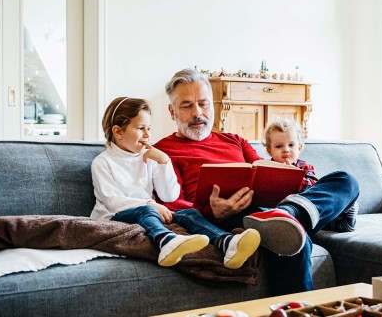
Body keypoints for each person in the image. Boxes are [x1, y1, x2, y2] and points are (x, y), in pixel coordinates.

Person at [154, 68, 360, 294]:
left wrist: (284, 176)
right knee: (293, 240)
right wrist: (212, 213)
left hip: (271, 208)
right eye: (187, 106)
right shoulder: (163, 152)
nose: (197, 113)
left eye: (203, 103)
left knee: (345, 180)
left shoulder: (235, 140)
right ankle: (296, 218)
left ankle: (290, 213)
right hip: (232, 218)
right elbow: (174, 205)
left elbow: (264, 171)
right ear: (172, 111)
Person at [90, 96, 260, 269]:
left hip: (149, 213)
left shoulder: (149, 157)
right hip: (114, 217)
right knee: (147, 210)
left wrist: (164, 162)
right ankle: (166, 241)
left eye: (149, 128)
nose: (148, 135)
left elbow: (169, 195)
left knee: (188, 213)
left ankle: (227, 242)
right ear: (118, 132)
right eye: (141, 129)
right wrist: (150, 204)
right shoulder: (102, 163)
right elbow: (112, 201)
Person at [263, 117, 359, 232]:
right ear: (269, 150)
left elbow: (313, 187)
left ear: (299, 148)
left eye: (291, 145)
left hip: (307, 208)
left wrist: (294, 176)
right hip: (276, 210)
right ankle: (284, 215)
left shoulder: (305, 167)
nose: (286, 150)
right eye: (279, 146)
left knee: (345, 179)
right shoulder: (266, 169)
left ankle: (343, 216)